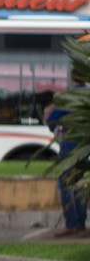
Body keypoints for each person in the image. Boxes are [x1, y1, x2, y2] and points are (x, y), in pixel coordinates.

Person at [45, 92, 86, 236]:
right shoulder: (85, 97)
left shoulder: (68, 100)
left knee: (65, 184)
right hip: (84, 148)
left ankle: (71, 224)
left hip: (68, 148)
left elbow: (51, 121)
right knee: (79, 184)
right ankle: (81, 221)